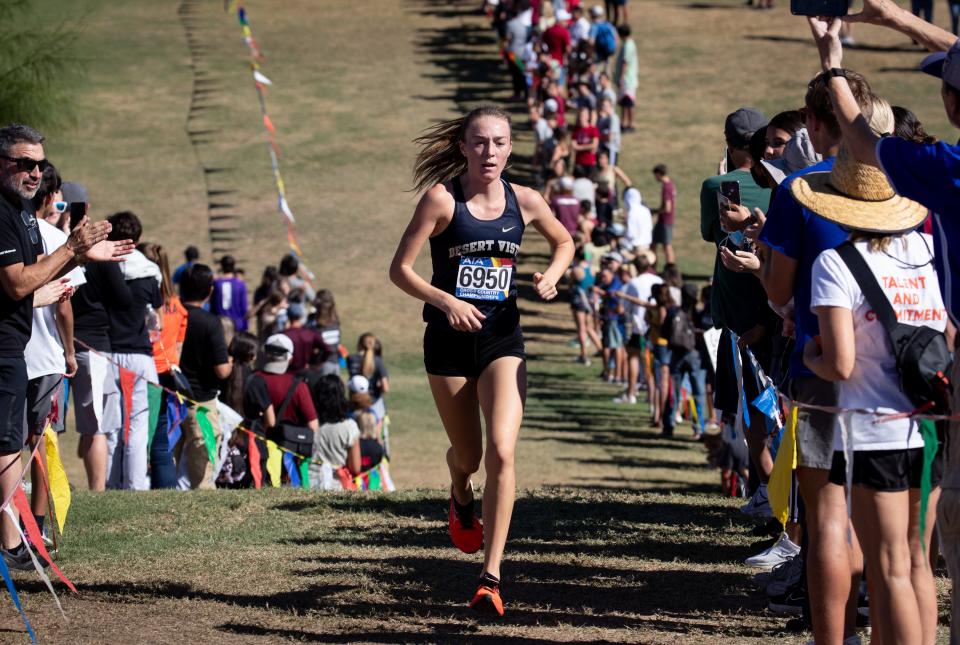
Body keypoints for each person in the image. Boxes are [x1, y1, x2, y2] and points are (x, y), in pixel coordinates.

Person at [806, 9, 960, 640]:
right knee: (912, 563)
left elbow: (861, 140)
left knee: (895, 560)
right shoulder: (921, 253)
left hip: (878, 421)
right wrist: (897, 17)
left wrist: (832, 58)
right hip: (924, 407)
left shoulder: (945, 170)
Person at [389, 105, 574, 616]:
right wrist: (446, 301)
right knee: (467, 457)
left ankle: (490, 577)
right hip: (447, 346)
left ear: (510, 148)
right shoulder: (442, 200)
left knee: (503, 450)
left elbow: (565, 240)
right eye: (479, 142)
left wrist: (552, 274)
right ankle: (459, 492)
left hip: (501, 342)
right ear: (463, 148)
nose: (489, 151)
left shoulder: (527, 201)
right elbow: (399, 270)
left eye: (498, 142)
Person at [749, 69, 875, 643]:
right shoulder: (904, 184)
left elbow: (777, 293)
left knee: (828, 515)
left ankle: (836, 637)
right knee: (889, 529)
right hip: (896, 375)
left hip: (822, 363)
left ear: (814, 124)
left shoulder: (799, 189)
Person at [0, 124, 131, 568]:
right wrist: (72, 246)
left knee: (29, 443)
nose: (35, 173)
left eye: (40, 164)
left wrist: (78, 254)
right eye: (25, 163)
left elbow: (36, 278)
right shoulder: (3, 214)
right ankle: (14, 543)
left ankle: (26, 533)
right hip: (14, 354)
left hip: (22, 351)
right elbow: (20, 284)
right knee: (10, 445)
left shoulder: (22, 215)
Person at [24, 163, 85, 542]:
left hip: (15, 353)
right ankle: (38, 525)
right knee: (41, 441)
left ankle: (14, 522)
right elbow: (64, 305)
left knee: (10, 444)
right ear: (51, 198)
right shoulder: (53, 239)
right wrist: (70, 352)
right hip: (45, 357)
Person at [103, 211, 162, 491]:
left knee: (112, 424)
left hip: (108, 352)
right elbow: (157, 315)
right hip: (140, 354)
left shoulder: (101, 267)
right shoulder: (150, 271)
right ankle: (136, 485)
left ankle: (110, 484)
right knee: (138, 422)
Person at [176, 263, 232, 489]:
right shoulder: (210, 323)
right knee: (202, 474)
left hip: (171, 398)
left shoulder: (172, 316)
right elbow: (222, 370)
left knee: (169, 464)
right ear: (209, 291)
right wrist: (230, 362)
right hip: (202, 403)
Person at [139, 242, 186, 490]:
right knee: (161, 442)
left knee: (137, 437)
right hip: (167, 376)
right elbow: (177, 347)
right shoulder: (178, 307)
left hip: (143, 373)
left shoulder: (140, 300)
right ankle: (164, 493)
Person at [308, 374, 361, 488]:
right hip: (336, 485)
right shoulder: (350, 427)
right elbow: (355, 467)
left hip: (308, 483)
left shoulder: (310, 424)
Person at [347, 333, 390, 419]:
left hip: (355, 405)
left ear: (359, 345)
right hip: (374, 405)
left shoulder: (351, 359)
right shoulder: (377, 361)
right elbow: (385, 388)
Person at [282, 298, 328, 373]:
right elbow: (327, 349)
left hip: (290, 373)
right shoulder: (310, 333)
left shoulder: (285, 335)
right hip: (307, 372)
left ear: (288, 316)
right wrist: (317, 363)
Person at [212, 255, 249, 332]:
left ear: (222, 266)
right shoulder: (240, 284)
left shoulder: (216, 283)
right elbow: (244, 307)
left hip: (220, 325)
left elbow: (212, 305)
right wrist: (245, 325)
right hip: (237, 325)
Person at [613, 24, 638, 132]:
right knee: (624, 103)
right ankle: (623, 123)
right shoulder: (627, 44)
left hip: (628, 79)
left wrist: (621, 78)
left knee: (629, 102)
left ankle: (631, 124)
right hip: (627, 79)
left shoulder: (628, 45)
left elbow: (625, 62)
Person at [652, 164, 677, 264]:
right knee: (653, 244)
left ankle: (671, 270)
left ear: (659, 174)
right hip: (664, 220)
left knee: (667, 246)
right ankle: (652, 267)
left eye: (655, 175)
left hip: (665, 221)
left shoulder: (666, 187)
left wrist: (655, 211)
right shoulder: (670, 184)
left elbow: (667, 208)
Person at [571, 106, 599, 176]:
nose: (581, 118)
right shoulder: (576, 130)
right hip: (579, 162)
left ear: (588, 117)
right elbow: (573, 145)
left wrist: (579, 147)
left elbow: (594, 145)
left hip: (590, 162)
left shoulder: (593, 129)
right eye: (580, 115)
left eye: (583, 115)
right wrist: (587, 147)